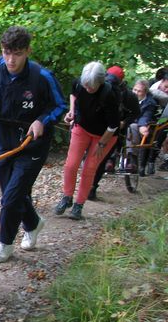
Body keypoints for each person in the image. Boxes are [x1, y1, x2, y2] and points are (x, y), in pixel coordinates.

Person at [0, 26, 66, 263]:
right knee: (12, 191)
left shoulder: (41, 77)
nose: (11, 59)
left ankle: (4, 244)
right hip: (4, 141)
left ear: (27, 51)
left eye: (17, 53)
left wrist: (40, 120)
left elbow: (59, 106)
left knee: (11, 197)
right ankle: (33, 224)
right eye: (6, 52)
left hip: (32, 145)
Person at [55, 62, 120, 220]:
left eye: (92, 86)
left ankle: (79, 205)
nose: (88, 89)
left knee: (89, 168)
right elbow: (73, 94)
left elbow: (114, 125)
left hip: (104, 134)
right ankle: (67, 197)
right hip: (82, 127)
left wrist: (102, 143)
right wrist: (72, 111)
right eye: (86, 85)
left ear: (101, 82)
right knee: (71, 164)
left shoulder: (109, 94)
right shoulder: (79, 84)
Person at [88, 65, 140, 199]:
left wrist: (124, 122)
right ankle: (90, 186)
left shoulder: (129, 96)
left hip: (115, 131)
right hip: (97, 127)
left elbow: (135, 113)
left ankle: (92, 187)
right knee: (96, 158)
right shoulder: (99, 88)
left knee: (101, 159)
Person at [126, 79, 158, 175]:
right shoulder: (128, 98)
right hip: (125, 124)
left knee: (133, 127)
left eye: (139, 91)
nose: (135, 93)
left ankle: (132, 159)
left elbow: (146, 116)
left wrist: (142, 125)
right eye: (134, 90)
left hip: (141, 128)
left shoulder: (150, 103)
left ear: (145, 92)